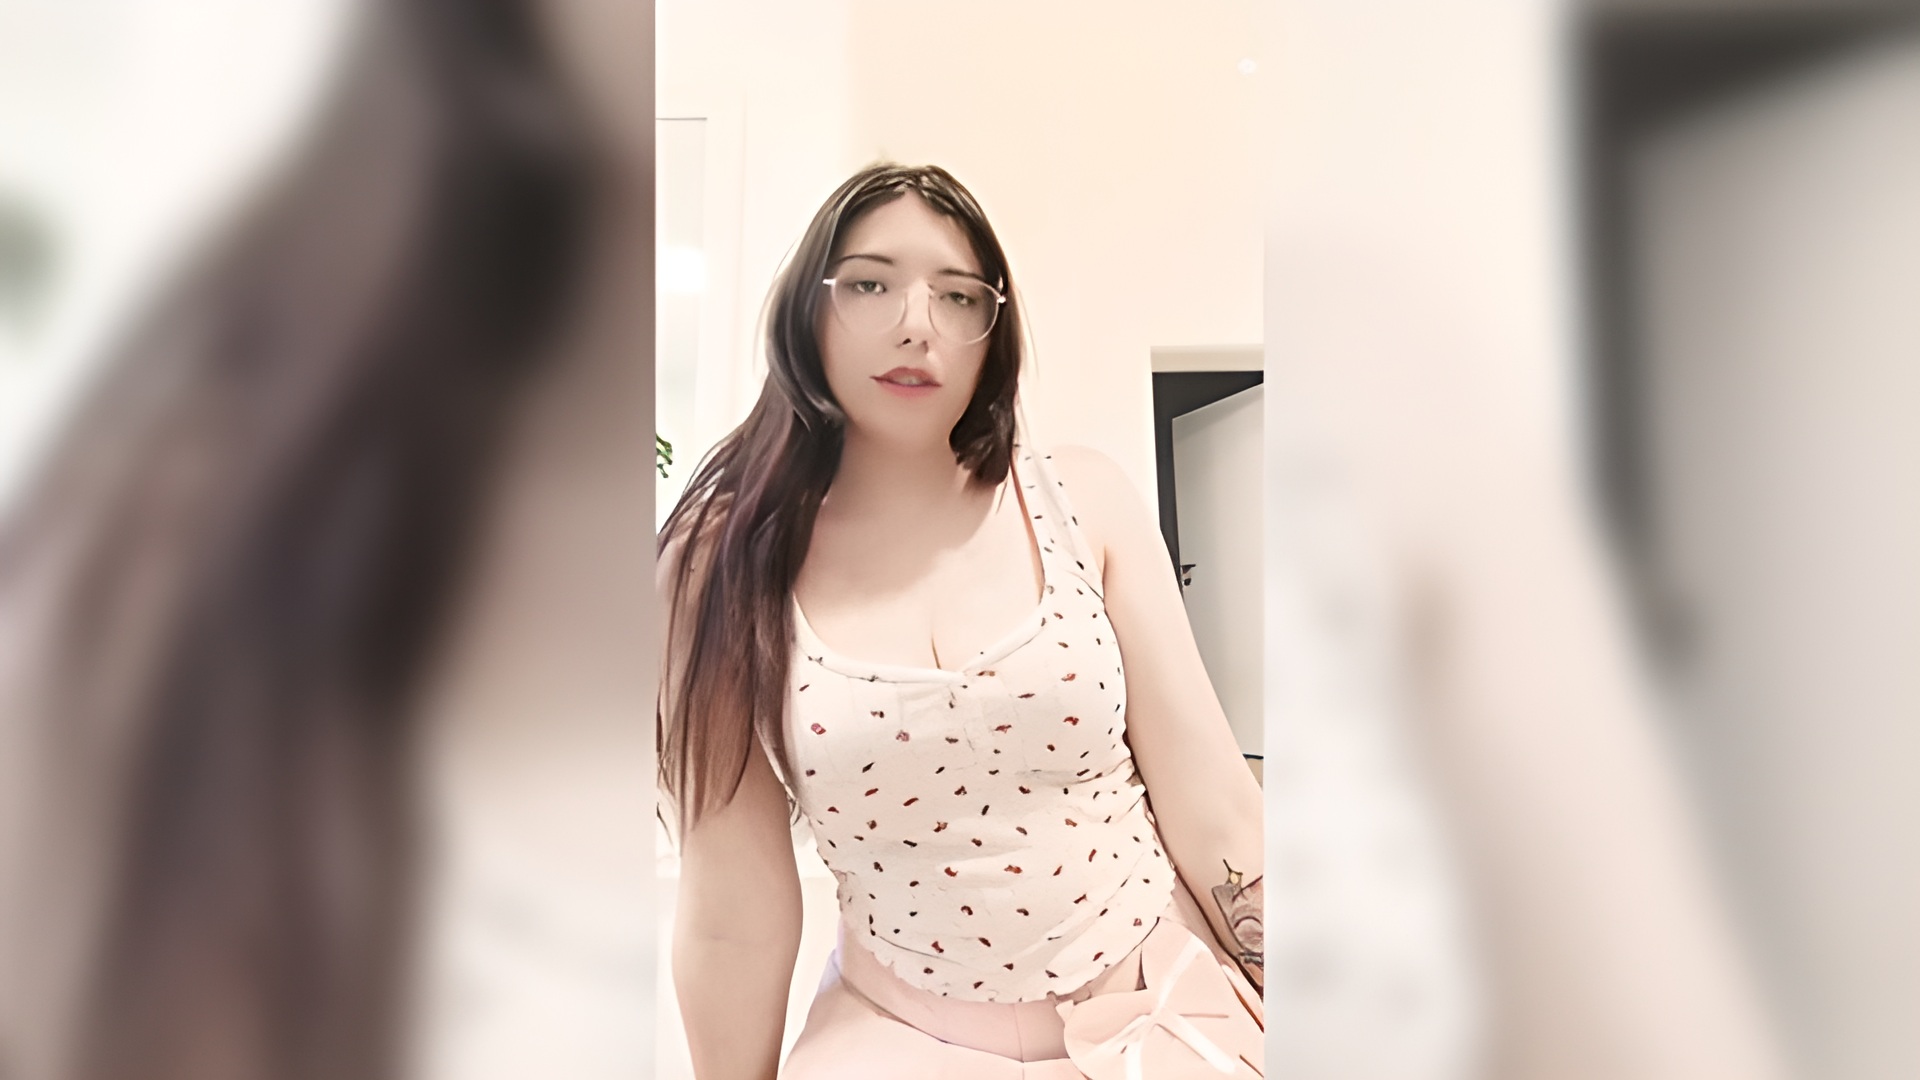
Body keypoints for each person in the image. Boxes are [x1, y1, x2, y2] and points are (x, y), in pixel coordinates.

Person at [657, 163, 1266, 1079]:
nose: (917, 322)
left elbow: (1216, 810)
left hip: (1164, 1008)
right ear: (806, 311)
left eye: (958, 295)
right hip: (898, 1041)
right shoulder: (722, 563)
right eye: (870, 284)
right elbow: (731, 912)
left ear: (992, 330)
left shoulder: (1081, 500)